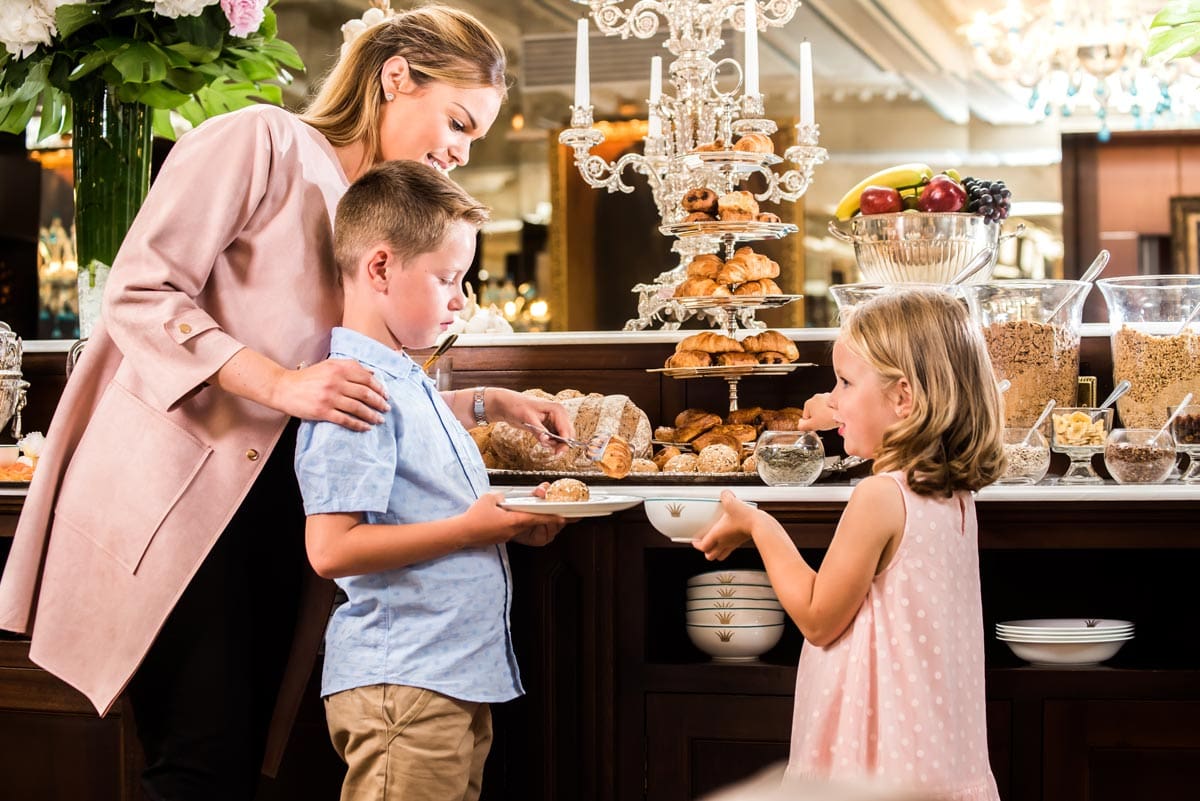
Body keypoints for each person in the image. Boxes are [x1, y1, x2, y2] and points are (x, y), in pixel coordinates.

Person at [0, 6, 572, 800]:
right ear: (396, 77)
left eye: (474, 138)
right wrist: (278, 384)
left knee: (231, 763)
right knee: (200, 761)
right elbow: (136, 294)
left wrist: (485, 403)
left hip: (280, 507)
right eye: (457, 121)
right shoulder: (259, 141)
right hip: (183, 504)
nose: (462, 152)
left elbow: (346, 387)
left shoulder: (373, 214)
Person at [295, 160, 564, 801]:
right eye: (446, 278)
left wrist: (494, 403)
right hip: (404, 683)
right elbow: (330, 549)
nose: (459, 300)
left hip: (448, 676)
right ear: (381, 269)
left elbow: (422, 446)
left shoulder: (400, 378)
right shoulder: (354, 390)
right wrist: (471, 529)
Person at [695, 290, 1005, 800]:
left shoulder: (880, 497)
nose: (833, 397)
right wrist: (837, 407)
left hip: (874, 767)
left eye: (844, 382)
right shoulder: (956, 495)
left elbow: (818, 619)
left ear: (903, 398)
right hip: (940, 761)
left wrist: (760, 526)